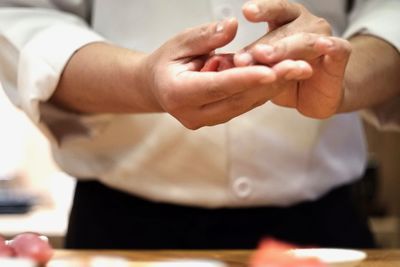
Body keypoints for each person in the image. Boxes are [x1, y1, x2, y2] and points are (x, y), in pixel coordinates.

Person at [0, 0, 399, 249]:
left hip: (325, 228)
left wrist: (343, 74)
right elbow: (24, 15)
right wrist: (141, 81)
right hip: (121, 227)